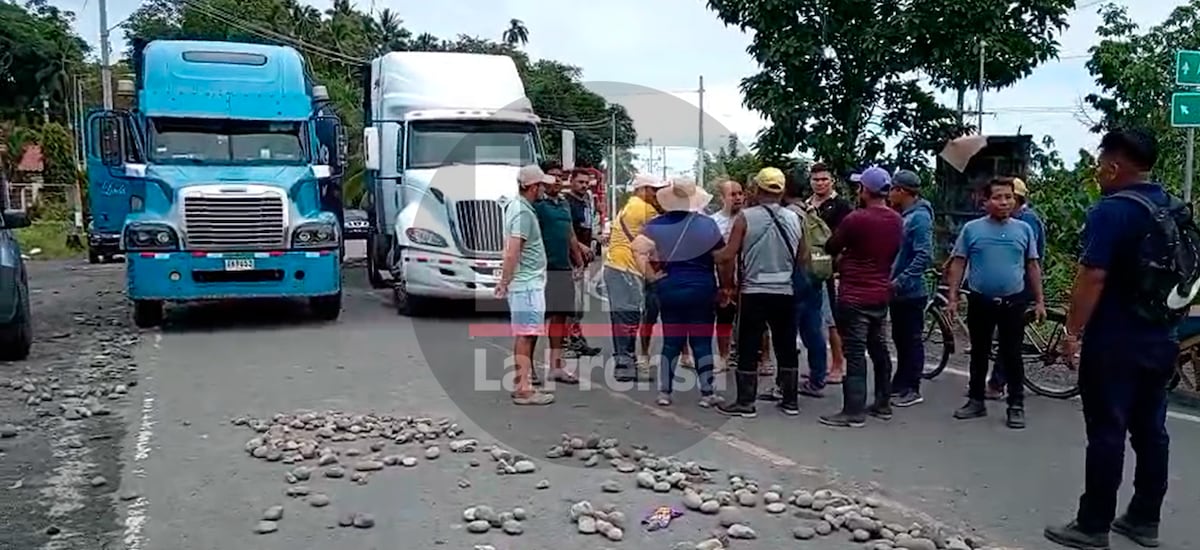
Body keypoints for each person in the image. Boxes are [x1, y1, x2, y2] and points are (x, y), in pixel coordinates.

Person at [1046, 129, 1178, 549]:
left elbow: (1093, 277)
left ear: (1114, 166)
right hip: (1161, 336)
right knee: (1152, 431)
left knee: (1107, 430)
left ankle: (1092, 525)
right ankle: (1144, 518)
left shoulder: (1112, 211)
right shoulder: (1173, 207)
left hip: (1115, 340)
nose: (1098, 171)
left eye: (1101, 163)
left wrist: (1071, 332)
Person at [945, 177, 1045, 428]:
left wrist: (1039, 301)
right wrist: (953, 297)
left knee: (1012, 354)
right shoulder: (972, 229)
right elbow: (959, 262)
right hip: (981, 300)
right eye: (997, 197)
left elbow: (1032, 265)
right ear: (985, 202)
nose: (1004, 202)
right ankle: (976, 400)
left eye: (1008, 197)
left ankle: (1016, 405)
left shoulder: (1024, 230)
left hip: (1014, 301)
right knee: (979, 352)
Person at [818, 167, 903, 428]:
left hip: (855, 293)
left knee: (854, 352)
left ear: (865, 190)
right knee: (879, 348)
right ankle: (883, 403)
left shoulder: (856, 219)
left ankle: (853, 410)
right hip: (880, 292)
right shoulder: (896, 220)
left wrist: (844, 255)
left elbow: (831, 246)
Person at [716, 167, 803, 418]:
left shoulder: (745, 217)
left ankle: (746, 402)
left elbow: (728, 255)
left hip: (754, 291)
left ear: (756, 189)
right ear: (782, 191)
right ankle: (790, 400)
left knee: (748, 345)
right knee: (786, 344)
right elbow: (804, 257)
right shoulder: (795, 218)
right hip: (785, 290)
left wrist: (719, 271)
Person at [633, 178, 727, 408]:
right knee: (702, 342)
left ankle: (665, 392)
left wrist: (651, 276)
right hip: (702, 288)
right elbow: (721, 260)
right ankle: (707, 393)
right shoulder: (708, 225)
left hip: (670, 287)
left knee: (671, 342)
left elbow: (637, 249)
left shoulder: (656, 225)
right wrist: (725, 287)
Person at [495, 165, 556, 406]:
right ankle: (523, 387)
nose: (544, 189)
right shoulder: (522, 213)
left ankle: (523, 382)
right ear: (532, 187)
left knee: (528, 334)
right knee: (526, 335)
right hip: (527, 284)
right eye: (541, 185)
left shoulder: (520, 208)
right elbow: (513, 251)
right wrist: (504, 281)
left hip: (528, 282)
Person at [983, 177, 1046, 398]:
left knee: (1008, 338)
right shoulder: (1014, 220)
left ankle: (997, 384)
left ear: (1016, 199)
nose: (1004, 203)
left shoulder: (1026, 221)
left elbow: (1028, 258)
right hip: (1012, 283)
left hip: (1020, 285)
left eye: (1008, 198)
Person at [603, 174, 668, 382]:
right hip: (626, 268)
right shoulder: (645, 209)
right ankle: (624, 366)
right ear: (642, 189)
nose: (657, 194)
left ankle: (625, 363)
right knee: (627, 317)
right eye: (654, 190)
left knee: (623, 317)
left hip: (618, 266)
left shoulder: (631, 205)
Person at [533, 162, 588, 386]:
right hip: (541, 269)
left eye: (559, 176)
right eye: (552, 176)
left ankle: (556, 367)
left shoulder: (564, 204)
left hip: (562, 268)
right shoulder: (536, 205)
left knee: (560, 318)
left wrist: (578, 260)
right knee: (536, 318)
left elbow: (570, 234)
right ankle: (528, 368)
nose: (556, 180)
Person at [887, 169, 934, 407]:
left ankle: (912, 387)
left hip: (911, 290)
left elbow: (924, 255)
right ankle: (901, 382)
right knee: (900, 338)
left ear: (901, 191)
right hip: (898, 290)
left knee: (911, 340)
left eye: (892, 189)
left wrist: (902, 279)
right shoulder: (904, 215)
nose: (889, 194)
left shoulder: (920, 218)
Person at [783, 171, 831, 398]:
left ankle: (786, 383)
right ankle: (817, 378)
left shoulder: (788, 215)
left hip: (796, 275)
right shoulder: (809, 210)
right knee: (813, 328)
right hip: (814, 274)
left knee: (787, 331)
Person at [806, 163, 852, 383]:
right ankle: (818, 366)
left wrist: (839, 268)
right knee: (813, 319)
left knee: (832, 318)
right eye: (816, 179)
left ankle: (838, 364)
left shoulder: (841, 206)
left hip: (831, 268)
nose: (820, 183)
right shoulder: (807, 205)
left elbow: (846, 239)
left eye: (824, 179)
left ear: (832, 181)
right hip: (809, 266)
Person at [563, 168, 600, 358]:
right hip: (571, 260)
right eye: (580, 182)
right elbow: (567, 232)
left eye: (587, 182)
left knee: (579, 307)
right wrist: (580, 247)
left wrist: (595, 239)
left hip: (583, 261)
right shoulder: (567, 203)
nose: (584, 186)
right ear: (571, 181)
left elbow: (585, 227)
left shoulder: (585, 201)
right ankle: (566, 343)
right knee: (572, 305)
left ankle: (577, 339)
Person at [707, 179, 744, 371]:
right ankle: (723, 356)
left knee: (753, 322)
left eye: (740, 193)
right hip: (720, 279)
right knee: (723, 319)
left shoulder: (750, 218)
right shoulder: (713, 222)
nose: (738, 198)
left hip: (747, 278)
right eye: (732, 194)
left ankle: (761, 358)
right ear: (722, 198)